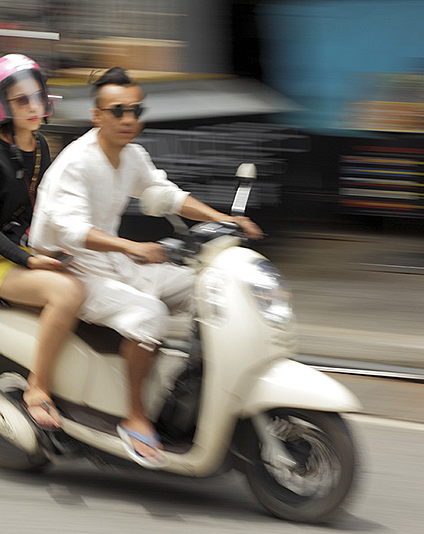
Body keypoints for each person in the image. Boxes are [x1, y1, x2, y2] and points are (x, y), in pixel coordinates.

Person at [31, 67, 262, 467]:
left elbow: (163, 193)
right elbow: (71, 231)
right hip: (74, 270)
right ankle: (135, 415)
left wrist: (224, 219)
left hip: (115, 261)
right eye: (118, 111)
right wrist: (132, 247)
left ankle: (200, 384)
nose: (128, 119)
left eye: (136, 111)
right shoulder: (78, 163)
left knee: (203, 285)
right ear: (97, 116)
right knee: (149, 314)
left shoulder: (131, 155)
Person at [0, 54, 84, 430]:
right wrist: (28, 260)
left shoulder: (41, 147)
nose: (34, 107)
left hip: (33, 250)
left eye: (37, 96)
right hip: (1, 264)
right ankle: (37, 387)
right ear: (0, 106)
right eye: (21, 100)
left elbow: (44, 210)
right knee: (67, 294)